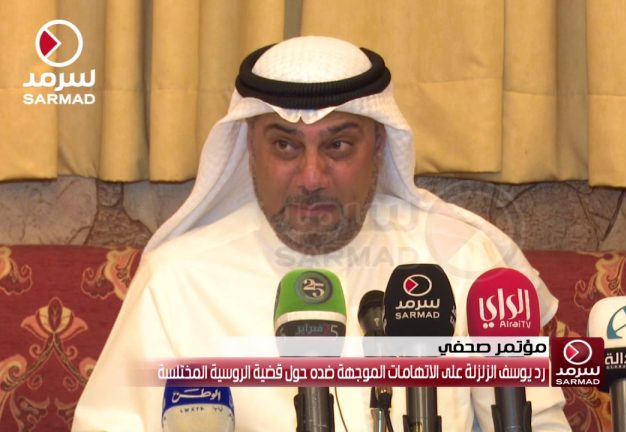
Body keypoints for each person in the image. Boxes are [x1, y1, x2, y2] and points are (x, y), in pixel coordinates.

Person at [72, 36, 570, 431]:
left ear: (379, 145)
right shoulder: (178, 280)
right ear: (249, 148)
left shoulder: (462, 259)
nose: (312, 177)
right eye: (285, 146)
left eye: (338, 145)